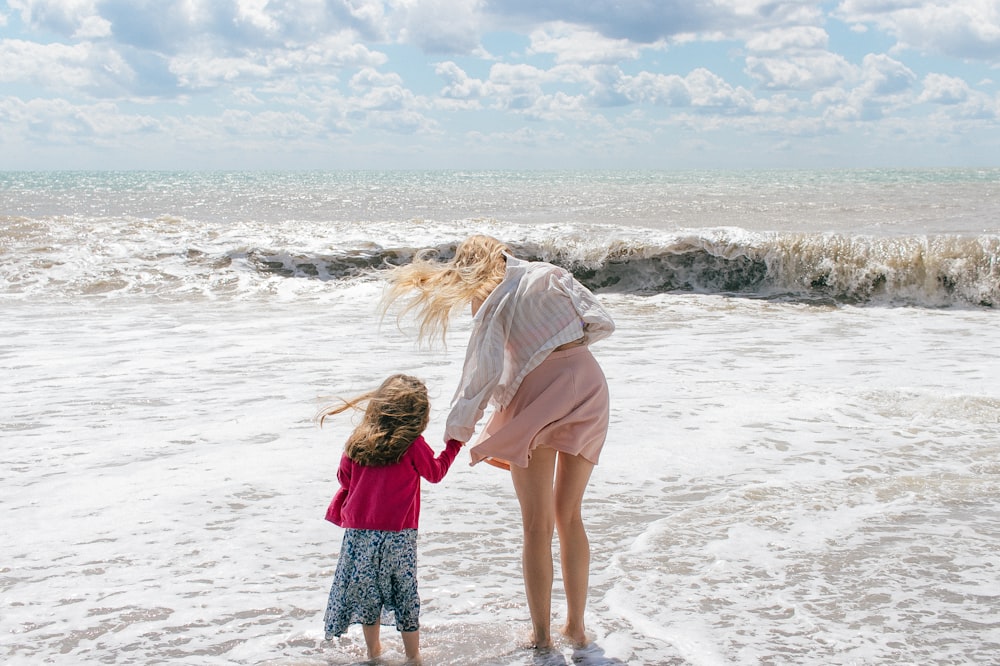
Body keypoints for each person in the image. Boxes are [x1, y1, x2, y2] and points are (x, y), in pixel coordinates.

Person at [381, 235, 614, 650]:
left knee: (536, 525)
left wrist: (457, 431)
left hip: (538, 395)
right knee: (570, 516)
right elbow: (597, 320)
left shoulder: (493, 300)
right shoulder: (550, 273)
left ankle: (542, 637)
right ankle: (576, 628)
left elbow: (481, 375)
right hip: (589, 383)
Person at [319, 373, 464, 664]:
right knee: (405, 592)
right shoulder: (413, 445)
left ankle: (374, 652)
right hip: (398, 535)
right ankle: (413, 656)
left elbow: (343, 477)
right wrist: (454, 446)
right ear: (418, 414)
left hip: (359, 535)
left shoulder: (357, 442)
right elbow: (434, 473)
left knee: (368, 594)